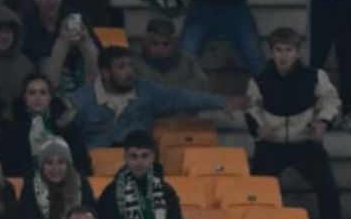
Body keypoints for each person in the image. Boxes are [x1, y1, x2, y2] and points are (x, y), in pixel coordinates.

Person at [248, 26, 345, 219]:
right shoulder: (259, 80)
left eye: (288, 50)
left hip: (305, 143)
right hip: (271, 146)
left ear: (298, 52)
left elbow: (331, 101)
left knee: (327, 187)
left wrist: (322, 123)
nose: (283, 55)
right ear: (271, 52)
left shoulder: (315, 77)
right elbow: (251, 108)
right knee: (253, 192)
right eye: (279, 50)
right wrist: (258, 127)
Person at [69, 45, 233, 149]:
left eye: (130, 66)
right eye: (121, 67)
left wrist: (221, 101)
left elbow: (182, 98)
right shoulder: (81, 100)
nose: (129, 72)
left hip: (140, 165)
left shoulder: (145, 90)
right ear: (105, 73)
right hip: (96, 169)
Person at [96, 131, 183, 219]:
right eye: (134, 156)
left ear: (153, 157)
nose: (139, 162)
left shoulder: (167, 192)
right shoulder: (110, 193)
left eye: (145, 156)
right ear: (125, 157)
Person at [183, 0, 263, 73]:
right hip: (202, 9)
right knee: (184, 61)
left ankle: (270, 90)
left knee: (256, 60)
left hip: (235, 8)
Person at [12, 135, 89, 219]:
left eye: (61, 162)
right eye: (49, 163)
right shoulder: (30, 187)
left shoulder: (81, 184)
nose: (55, 168)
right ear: (41, 166)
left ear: (68, 165)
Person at [135, 16, 210, 93]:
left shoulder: (189, 62)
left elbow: (202, 87)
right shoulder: (134, 63)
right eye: (155, 44)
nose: (161, 49)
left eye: (166, 44)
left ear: (174, 43)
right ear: (146, 43)